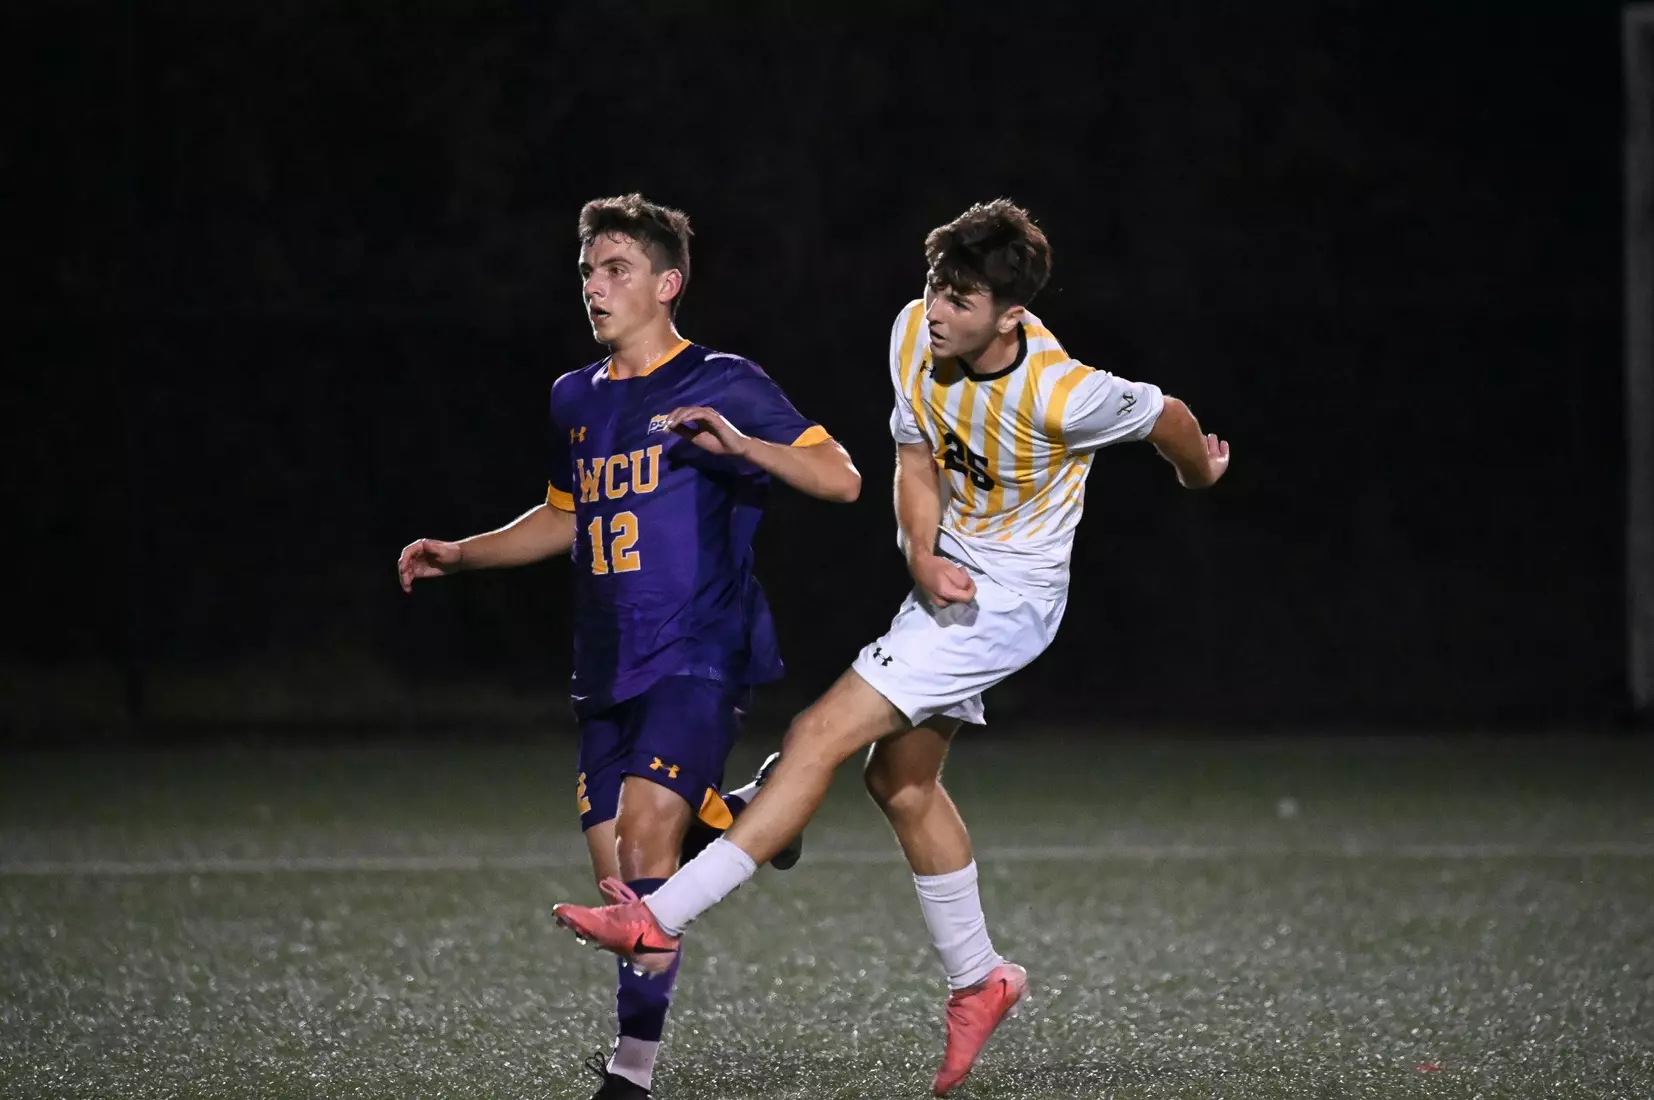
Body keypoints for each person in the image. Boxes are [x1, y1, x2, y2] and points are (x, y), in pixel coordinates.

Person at [551, 199, 1230, 1096]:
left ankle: (660, 914)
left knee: (819, 736)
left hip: (1007, 600)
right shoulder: (915, 331)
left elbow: (1168, 415)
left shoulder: (1065, 391)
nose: (937, 311)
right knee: (898, 782)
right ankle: (981, 976)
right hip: (944, 579)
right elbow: (914, 463)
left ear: (1011, 315)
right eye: (934, 288)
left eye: (961, 299)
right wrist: (919, 549)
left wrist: (1199, 470)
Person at [398, 193, 860, 1099]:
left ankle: (631, 1073)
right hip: (606, 663)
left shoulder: (722, 381)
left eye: (616, 271)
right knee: (618, 880)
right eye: (586, 271)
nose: (595, 287)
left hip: (699, 651)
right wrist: (463, 554)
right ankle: (744, 817)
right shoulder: (575, 398)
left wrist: (743, 446)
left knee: (649, 843)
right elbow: (566, 518)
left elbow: (840, 477)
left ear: (667, 283)